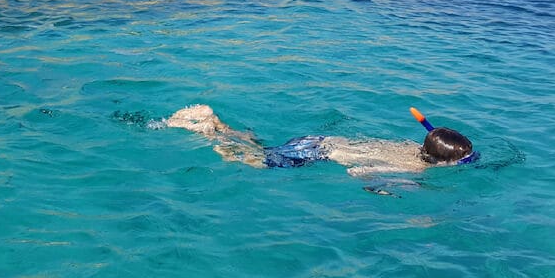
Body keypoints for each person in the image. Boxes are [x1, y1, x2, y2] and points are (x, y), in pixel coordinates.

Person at [165, 104, 477, 177]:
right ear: (441, 160)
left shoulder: (411, 149)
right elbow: (356, 172)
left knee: (260, 149)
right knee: (248, 161)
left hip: (319, 140)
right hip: (318, 154)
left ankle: (217, 123)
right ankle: (207, 132)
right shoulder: (416, 169)